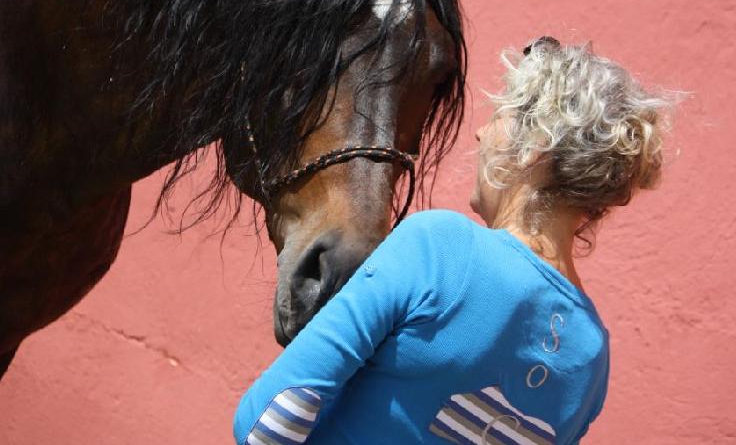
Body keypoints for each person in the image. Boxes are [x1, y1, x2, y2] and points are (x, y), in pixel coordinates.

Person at [234, 37, 675, 444]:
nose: (482, 134)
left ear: (534, 149)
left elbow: (268, 423)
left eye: (501, 116)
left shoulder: (441, 249)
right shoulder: (593, 356)